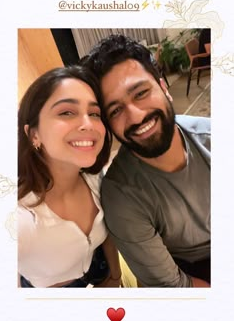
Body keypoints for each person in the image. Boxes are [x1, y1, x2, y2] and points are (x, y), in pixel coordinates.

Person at [86, 34, 210, 288]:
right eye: (116, 110)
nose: (135, 116)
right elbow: (175, 285)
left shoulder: (212, 138)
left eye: (141, 93)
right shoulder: (122, 196)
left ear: (164, 87)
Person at [18, 64, 122, 288]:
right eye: (66, 112)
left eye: (94, 113)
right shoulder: (21, 215)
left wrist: (115, 276)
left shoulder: (95, 179)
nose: (88, 124)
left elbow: (109, 233)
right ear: (33, 134)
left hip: (100, 269)